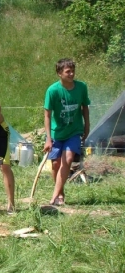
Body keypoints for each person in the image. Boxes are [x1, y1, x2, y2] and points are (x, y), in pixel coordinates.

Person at [43, 58, 90, 206]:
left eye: (72, 71)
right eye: (67, 71)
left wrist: (87, 125)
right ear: (59, 73)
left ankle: (54, 196)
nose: (71, 74)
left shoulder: (81, 87)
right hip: (57, 133)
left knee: (68, 159)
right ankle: (60, 193)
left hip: (74, 131)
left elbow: (85, 108)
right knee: (56, 164)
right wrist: (48, 138)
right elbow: (47, 115)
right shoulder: (53, 90)